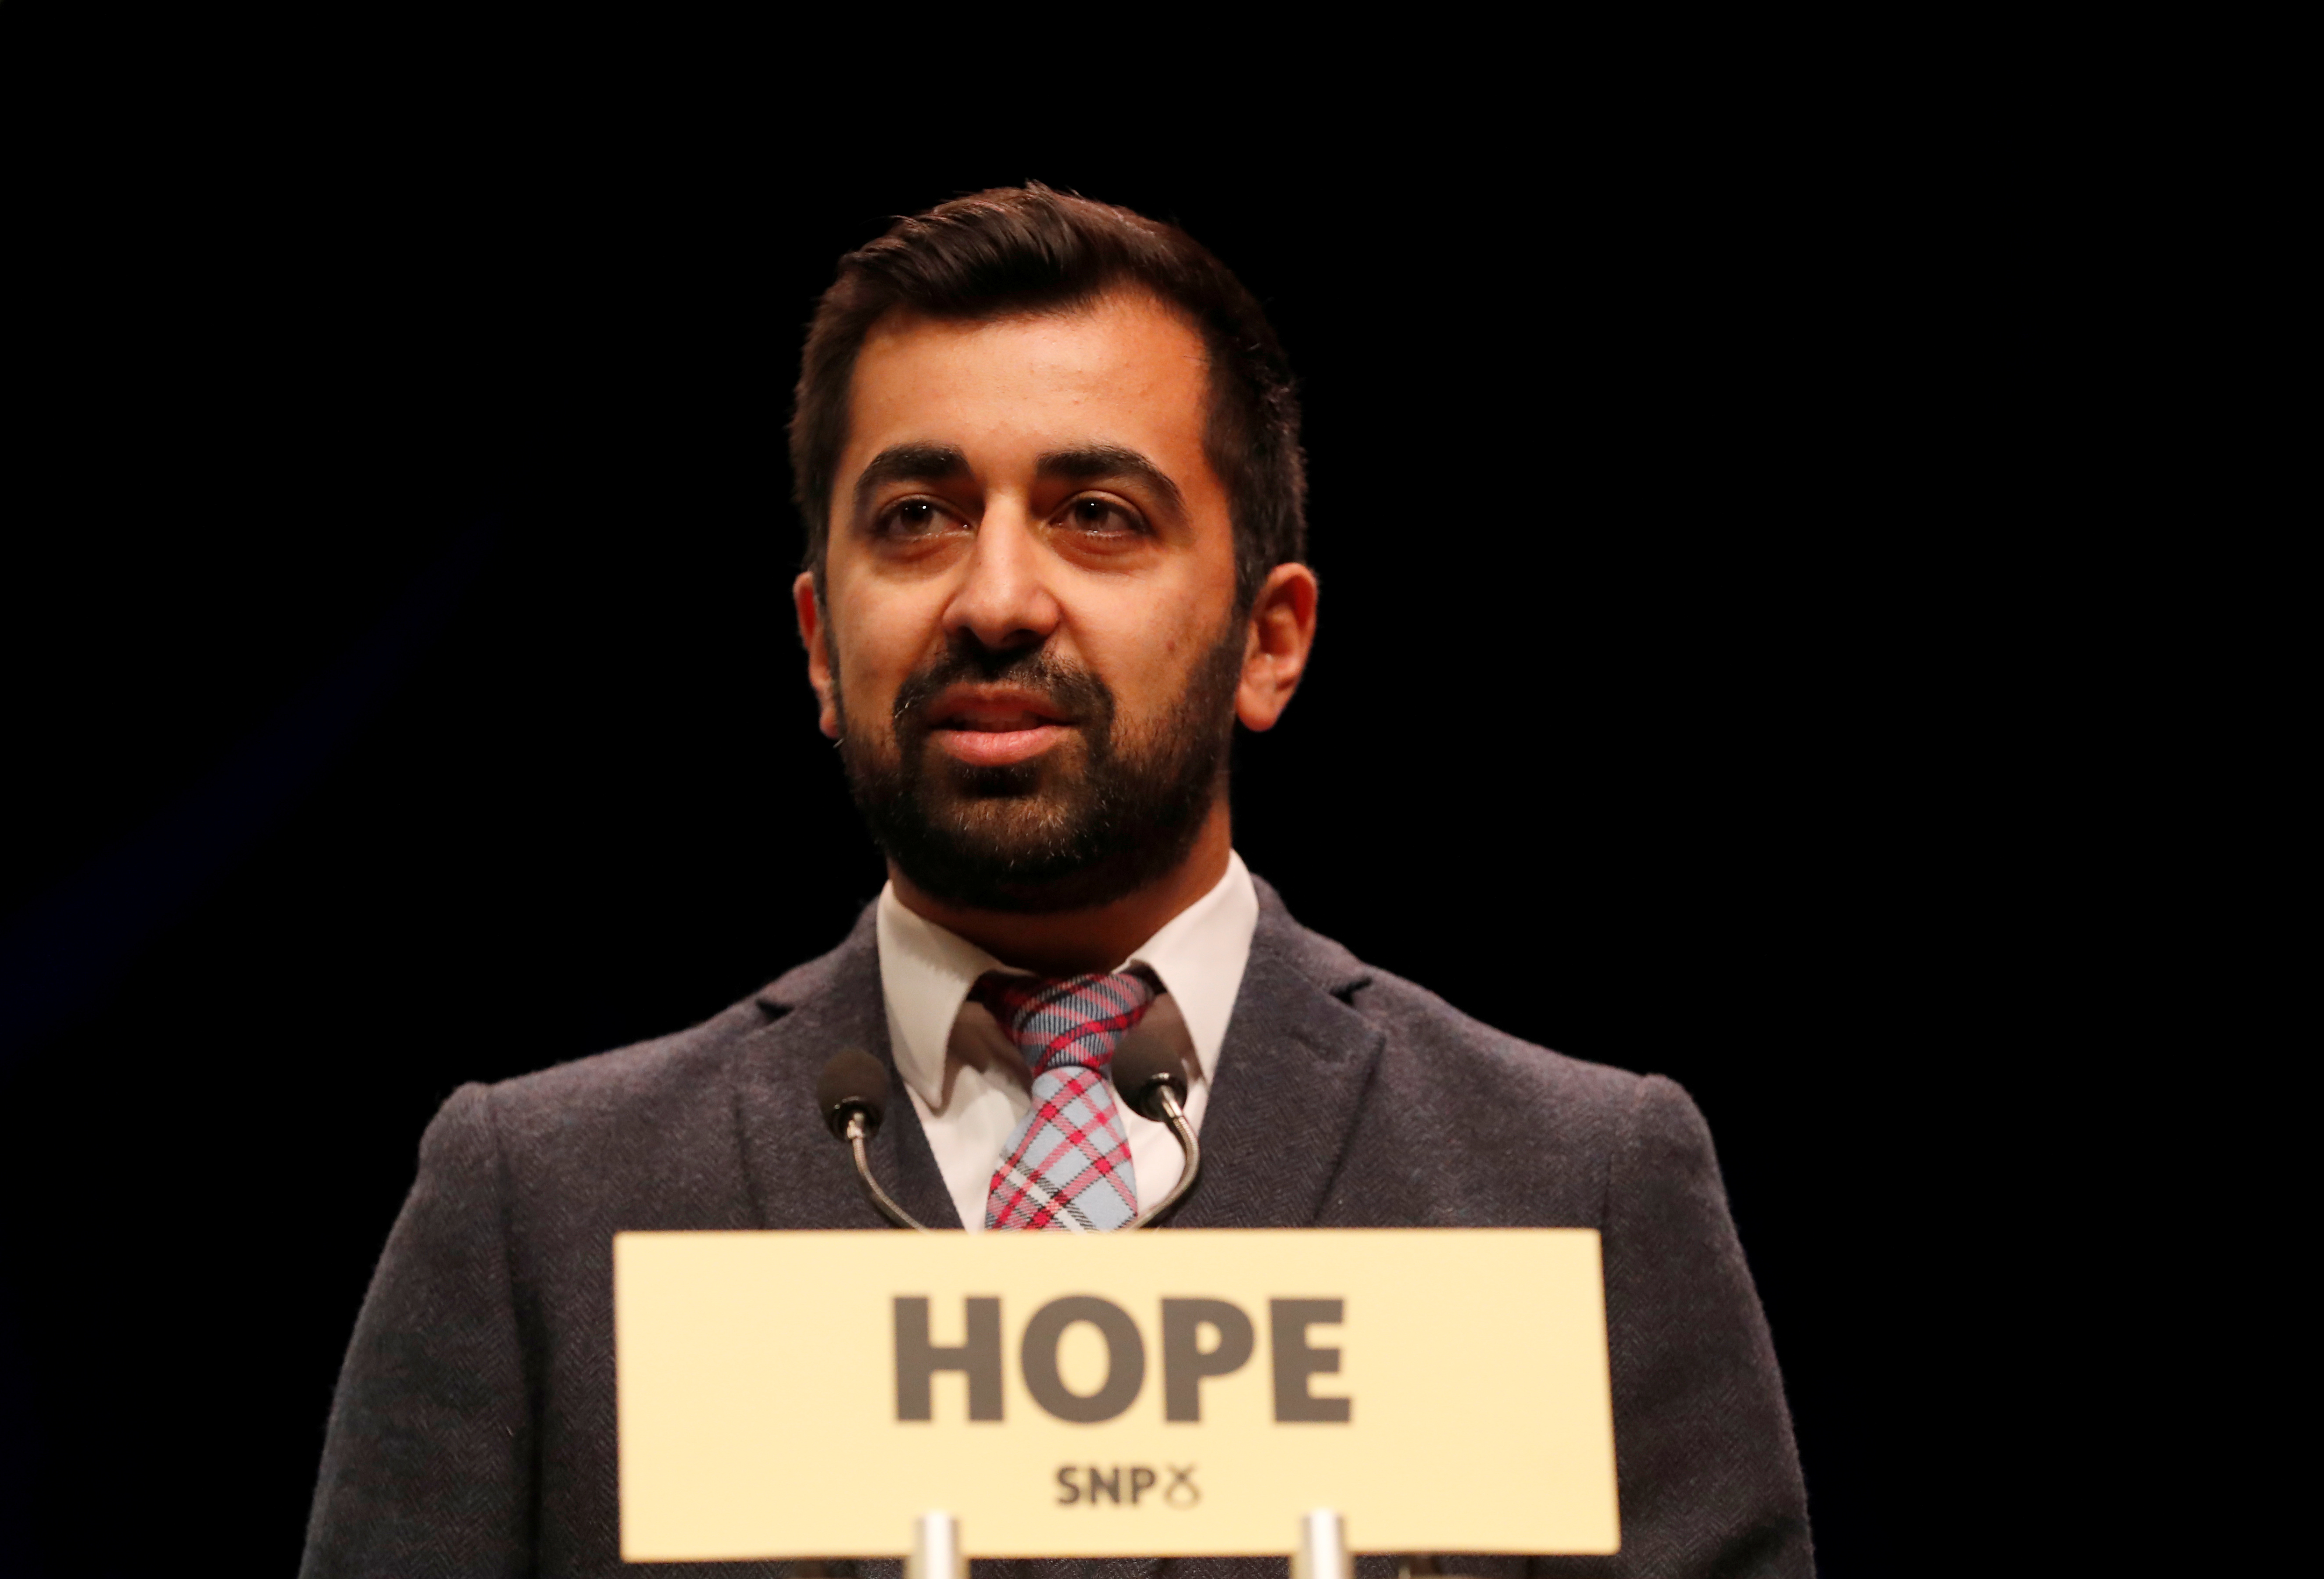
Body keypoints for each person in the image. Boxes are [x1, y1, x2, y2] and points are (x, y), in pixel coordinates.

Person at [301, 185, 1813, 1578]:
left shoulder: (1573, 1191)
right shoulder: (542, 1207)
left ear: (1270, 639)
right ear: (823, 643)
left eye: (1099, 514)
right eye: (916, 520)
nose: (998, 597)